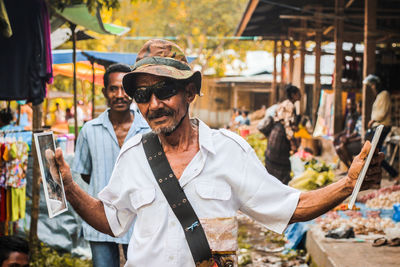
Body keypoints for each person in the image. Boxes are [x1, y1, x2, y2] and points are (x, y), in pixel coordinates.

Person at [51, 39, 383, 267]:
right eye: (143, 94)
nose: (153, 105)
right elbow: (111, 221)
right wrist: (68, 184)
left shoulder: (228, 151)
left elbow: (290, 207)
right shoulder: (134, 155)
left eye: (164, 90)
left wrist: (347, 184)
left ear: (190, 91)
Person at [71, 63, 150, 267]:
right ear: (104, 91)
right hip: (100, 219)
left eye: (125, 88)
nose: (120, 94)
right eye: (113, 88)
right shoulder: (89, 130)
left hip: (139, 219)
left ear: (132, 91)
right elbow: (86, 174)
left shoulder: (148, 130)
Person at [264, 85, 301, 185]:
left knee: (273, 164)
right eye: (298, 93)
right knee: (283, 167)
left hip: (274, 134)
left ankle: (272, 186)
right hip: (280, 138)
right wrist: (293, 142)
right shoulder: (290, 106)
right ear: (293, 95)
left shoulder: (282, 104)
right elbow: (287, 126)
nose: (300, 95)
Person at [363, 74, 398, 178]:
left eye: (373, 85)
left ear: (376, 85)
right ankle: (378, 180)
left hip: (382, 127)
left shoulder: (384, 94)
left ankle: (394, 174)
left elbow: (381, 113)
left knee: (374, 153)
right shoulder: (379, 95)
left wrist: (373, 120)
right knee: (373, 153)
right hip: (377, 126)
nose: (372, 88)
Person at [334, 98, 362, 168]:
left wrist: (348, 139)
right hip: (350, 138)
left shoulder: (358, 117)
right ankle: (349, 168)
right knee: (338, 148)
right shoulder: (349, 116)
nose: (349, 107)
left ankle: (353, 168)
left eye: (351, 105)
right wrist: (338, 136)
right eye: (348, 105)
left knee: (342, 146)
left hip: (356, 141)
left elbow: (358, 134)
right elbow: (346, 130)